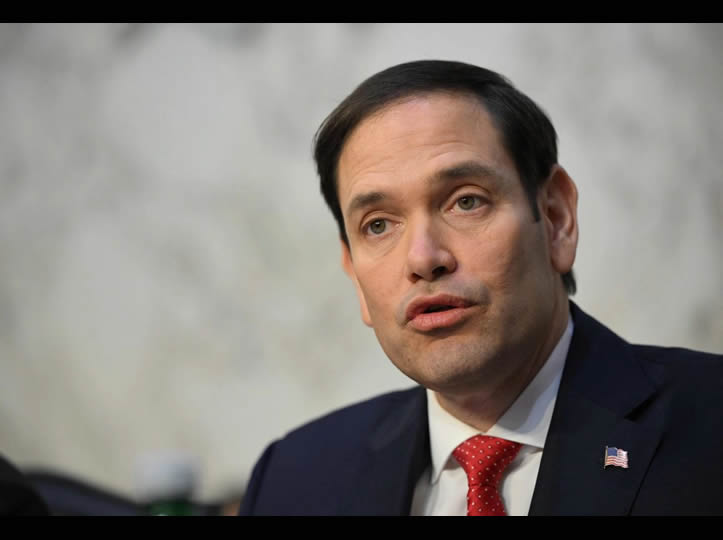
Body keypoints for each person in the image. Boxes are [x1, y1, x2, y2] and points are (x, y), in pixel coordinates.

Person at [239, 60, 723, 516]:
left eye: (466, 201)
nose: (423, 258)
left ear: (556, 219)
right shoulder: (294, 481)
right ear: (354, 274)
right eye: (378, 225)